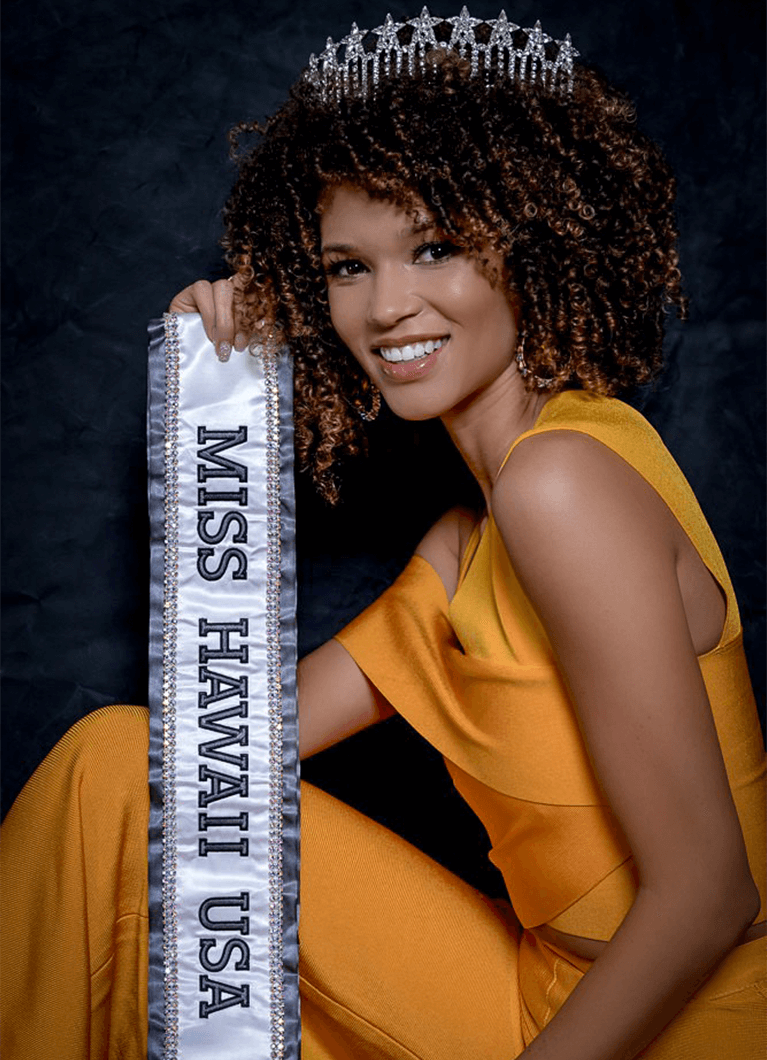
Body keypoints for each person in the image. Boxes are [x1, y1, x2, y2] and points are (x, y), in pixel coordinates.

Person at [1, 11, 765, 1059]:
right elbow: (227, 749)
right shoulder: (470, 539)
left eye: (434, 247)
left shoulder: (561, 484)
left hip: (674, 1021)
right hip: (536, 980)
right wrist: (221, 399)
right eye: (346, 267)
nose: (387, 306)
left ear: (528, 239)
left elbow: (707, 894)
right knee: (115, 771)